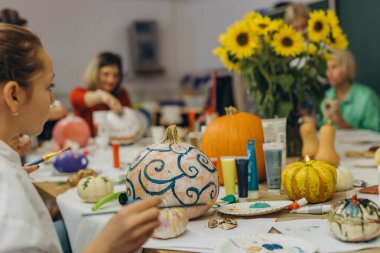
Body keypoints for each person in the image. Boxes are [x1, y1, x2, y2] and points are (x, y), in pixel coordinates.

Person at [0, 23, 161, 253]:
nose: (52, 99)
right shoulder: (7, 195)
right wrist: (105, 245)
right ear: (14, 95)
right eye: (49, 86)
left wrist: (16, 174)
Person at [70, 52, 132, 136]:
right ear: (95, 74)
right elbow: (80, 99)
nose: (111, 80)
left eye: (115, 75)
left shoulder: (121, 94)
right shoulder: (78, 92)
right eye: (106, 74)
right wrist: (103, 96)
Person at [320, 50, 380, 132]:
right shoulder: (327, 95)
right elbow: (321, 126)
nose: (328, 73)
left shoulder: (366, 97)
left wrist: (342, 123)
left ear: (347, 68)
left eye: (334, 67)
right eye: (327, 68)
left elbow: (376, 134)